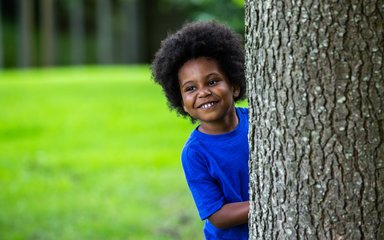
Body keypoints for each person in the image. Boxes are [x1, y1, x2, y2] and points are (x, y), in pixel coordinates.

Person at [151, 21, 249, 239]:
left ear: (234, 85)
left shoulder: (258, 121)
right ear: (182, 103)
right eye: (191, 88)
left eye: (213, 81)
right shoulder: (194, 153)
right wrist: (269, 205)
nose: (203, 93)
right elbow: (218, 216)